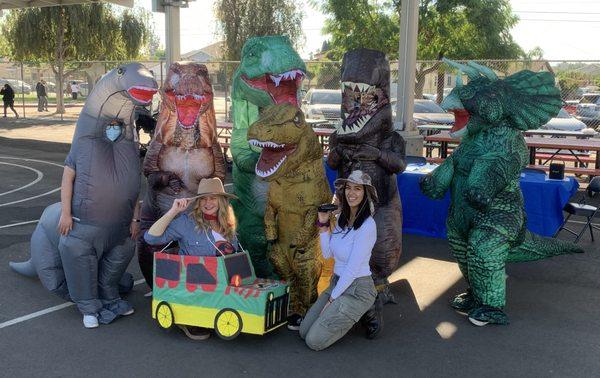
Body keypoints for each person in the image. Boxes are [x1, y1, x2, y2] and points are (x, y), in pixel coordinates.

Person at [144, 177, 239, 340]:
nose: (208, 203)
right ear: (198, 202)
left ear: (221, 201)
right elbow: (150, 238)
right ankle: (186, 319)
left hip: (220, 287)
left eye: (213, 198)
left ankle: (211, 313)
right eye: (203, 199)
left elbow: (234, 254)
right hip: (193, 287)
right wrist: (173, 211)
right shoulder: (187, 222)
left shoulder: (227, 223)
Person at [299, 170, 378, 351]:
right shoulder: (342, 220)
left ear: (366, 194)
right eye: (348, 188)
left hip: (358, 288)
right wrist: (323, 224)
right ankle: (340, 315)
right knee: (303, 331)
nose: (351, 193)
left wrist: (332, 300)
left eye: (358, 189)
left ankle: (354, 312)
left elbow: (351, 269)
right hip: (337, 283)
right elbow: (327, 254)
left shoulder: (367, 226)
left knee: (314, 341)